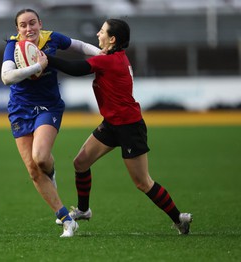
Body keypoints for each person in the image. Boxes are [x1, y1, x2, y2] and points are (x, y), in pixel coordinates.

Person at [46, 19, 193, 235]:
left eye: (102, 31)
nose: (98, 34)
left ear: (112, 39)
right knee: (81, 163)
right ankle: (84, 210)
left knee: (143, 182)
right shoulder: (111, 57)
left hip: (129, 127)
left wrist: (46, 59)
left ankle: (179, 219)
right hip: (112, 123)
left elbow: (75, 69)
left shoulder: (110, 60)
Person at [0, 8, 101, 237]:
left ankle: (51, 171)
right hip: (20, 110)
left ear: (40, 23)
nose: (29, 29)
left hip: (48, 107)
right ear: (17, 29)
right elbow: (6, 77)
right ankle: (67, 219)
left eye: (32, 23)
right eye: (23, 25)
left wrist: (101, 53)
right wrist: (37, 67)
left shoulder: (51, 38)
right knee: (34, 172)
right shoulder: (13, 46)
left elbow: (79, 45)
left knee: (41, 158)